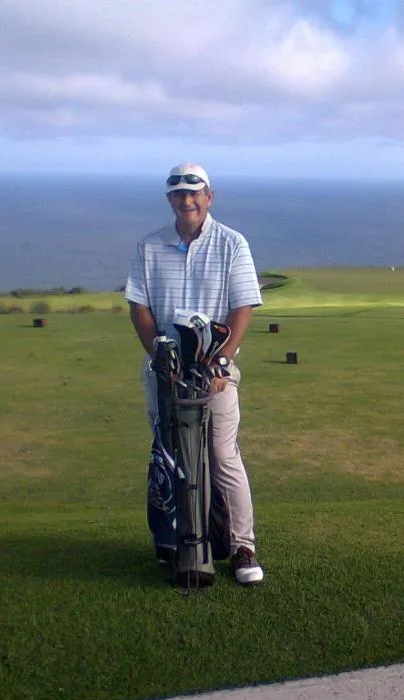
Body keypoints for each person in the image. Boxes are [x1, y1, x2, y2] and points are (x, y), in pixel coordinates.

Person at [124, 162, 264, 585]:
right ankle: (180, 543)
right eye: (178, 194)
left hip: (214, 371)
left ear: (209, 197)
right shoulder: (149, 247)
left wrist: (220, 360)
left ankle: (242, 546)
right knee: (171, 459)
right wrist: (159, 354)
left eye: (194, 193)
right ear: (170, 200)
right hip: (165, 374)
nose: (187, 201)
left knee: (222, 456)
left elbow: (242, 307)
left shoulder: (232, 244)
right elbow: (139, 307)